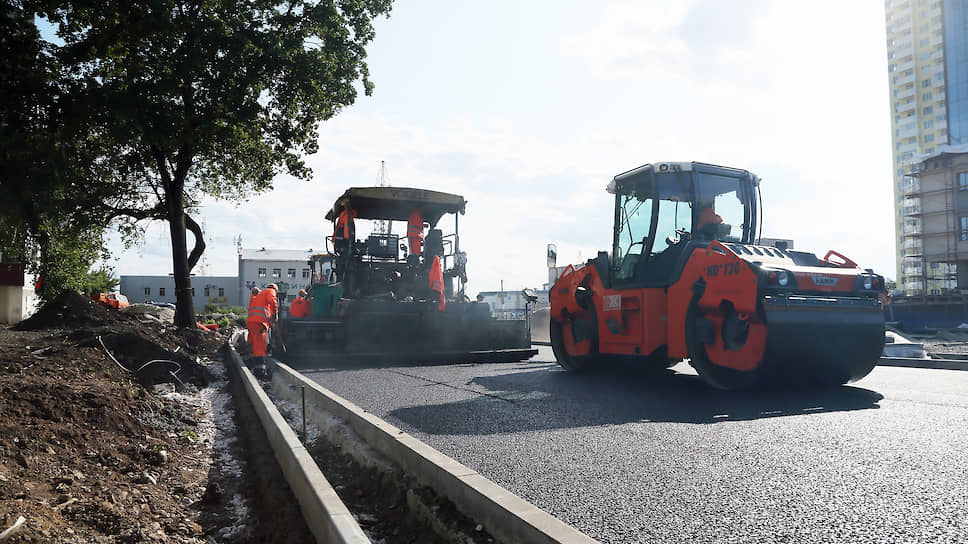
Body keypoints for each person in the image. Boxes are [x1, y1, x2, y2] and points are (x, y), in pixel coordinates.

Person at [246, 283, 278, 378]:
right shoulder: (270, 291)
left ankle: (253, 366)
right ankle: (260, 372)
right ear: (275, 289)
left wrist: (271, 323)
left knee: (254, 345)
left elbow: (265, 312)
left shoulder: (259, 296)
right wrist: (276, 314)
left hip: (251, 323)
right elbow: (273, 302)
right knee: (260, 347)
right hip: (258, 323)